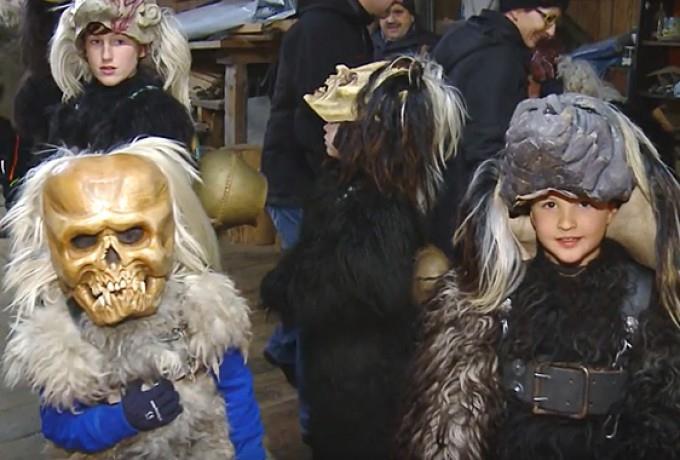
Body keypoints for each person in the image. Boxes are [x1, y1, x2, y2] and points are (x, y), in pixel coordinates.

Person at [397, 93, 680, 459]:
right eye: (549, 204)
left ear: (613, 211)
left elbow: (662, 418)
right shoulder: (493, 301)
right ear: (527, 212)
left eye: (584, 203)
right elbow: (452, 417)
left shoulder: (645, 301)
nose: (566, 222)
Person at [2, 137, 266, 459]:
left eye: (132, 234)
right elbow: (60, 427)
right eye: (83, 240)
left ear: (171, 234)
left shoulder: (204, 310)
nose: (112, 262)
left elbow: (236, 391)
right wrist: (122, 419)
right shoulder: (62, 340)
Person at [260, 55, 465, 460]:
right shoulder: (342, 185)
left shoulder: (382, 206)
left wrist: (285, 285)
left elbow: (363, 288)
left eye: (336, 123)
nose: (325, 129)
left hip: (365, 377)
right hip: (335, 362)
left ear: (364, 133)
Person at [259, 0, 391, 439]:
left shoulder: (351, 26)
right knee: (318, 307)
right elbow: (312, 118)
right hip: (304, 184)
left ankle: (284, 345)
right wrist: (338, 181)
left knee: (313, 296)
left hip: (321, 181)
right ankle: (313, 420)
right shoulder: (323, 29)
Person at [428, 0, 568, 258]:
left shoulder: (464, 36)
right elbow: (486, 148)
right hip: (466, 211)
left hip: (439, 193)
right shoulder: (499, 58)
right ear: (516, 10)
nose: (551, 31)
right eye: (547, 18)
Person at [47, 0, 195, 151]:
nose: (106, 56)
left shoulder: (160, 114)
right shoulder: (72, 112)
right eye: (96, 42)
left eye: (119, 42)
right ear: (84, 49)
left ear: (142, 48)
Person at [371, 0, 438, 60]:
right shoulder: (368, 46)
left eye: (398, 12)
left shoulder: (431, 46)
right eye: (385, 13)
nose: (390, 20)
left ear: (412, 17)